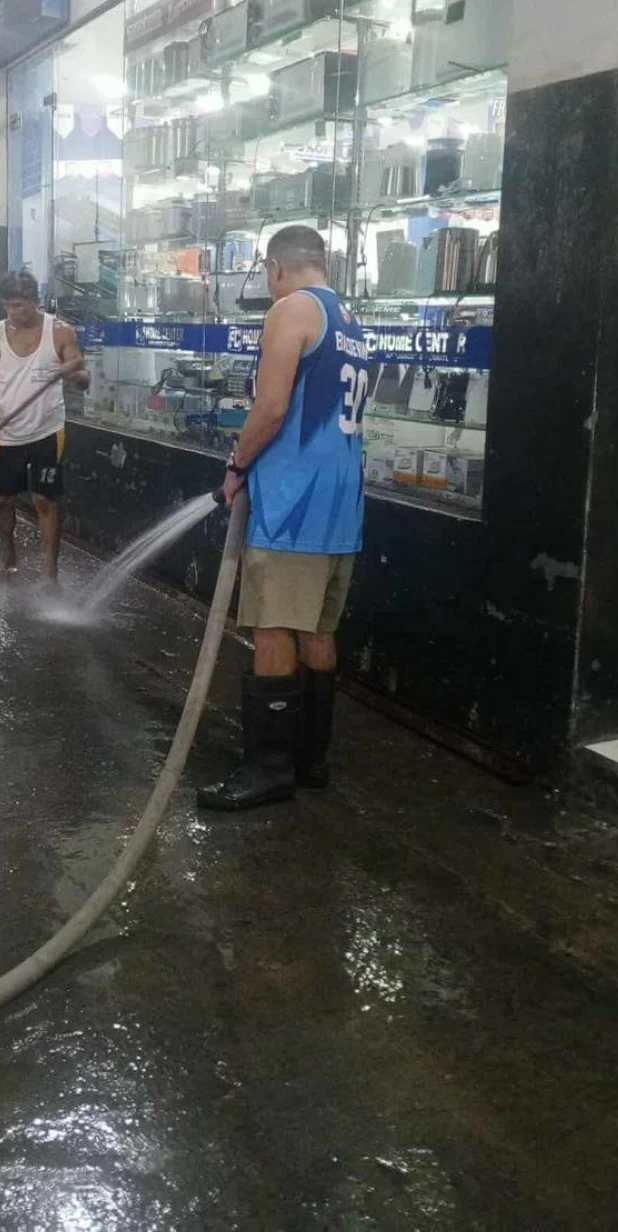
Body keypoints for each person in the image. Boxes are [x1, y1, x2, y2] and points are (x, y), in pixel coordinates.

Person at [198, 225, 369, 812]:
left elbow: (270, 407)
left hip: (296, 499)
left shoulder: (290, 310)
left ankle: (269, 769)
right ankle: (309, 759)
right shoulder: (349, 321)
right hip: (342, 500)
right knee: (318, 630)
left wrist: (236, 464)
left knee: (272, 627)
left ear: (275, 268)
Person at [0, 271, 89, 583]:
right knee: (1, 500)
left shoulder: (60, 332)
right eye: (8, 306)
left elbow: (82, 379)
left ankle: (49, 572)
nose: (13, 313)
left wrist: (73, 372)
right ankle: (8, 558)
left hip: (47, 430)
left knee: (45, 499)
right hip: (6, 432)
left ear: (36, 301)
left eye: (20, 306)